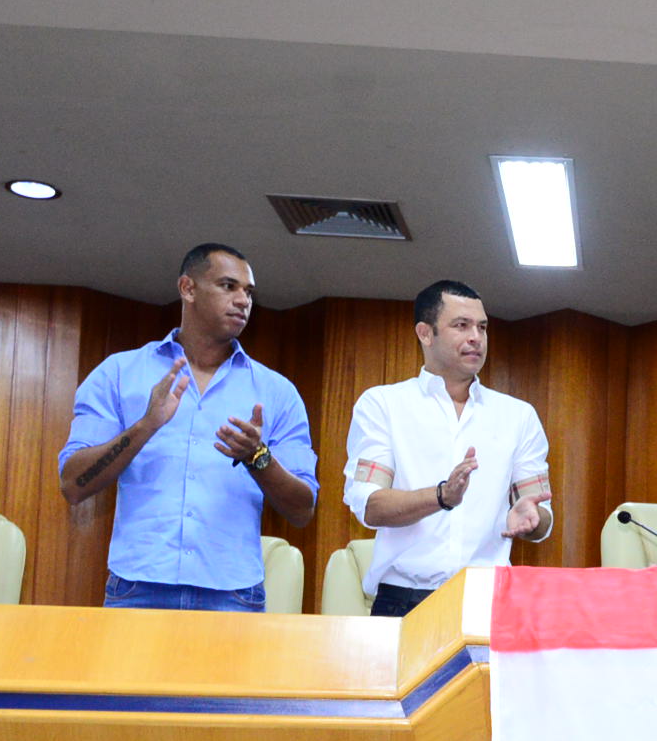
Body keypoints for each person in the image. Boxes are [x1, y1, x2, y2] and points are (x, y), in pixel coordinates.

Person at [59, 242, 317, 611]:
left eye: (249, 292)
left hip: (234, 595)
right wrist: (145, 426)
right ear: (188, 288)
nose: (243, 301)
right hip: (138, 590)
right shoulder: (119, 373)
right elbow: (73, 484)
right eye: (228, 286)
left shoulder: (276, 391)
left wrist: (256, 456)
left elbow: (303, 510)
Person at [345, 279, 554, 617]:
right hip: (403, 602)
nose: (476, 338)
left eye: (482, 327)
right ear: (425, 333)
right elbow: (369, 505)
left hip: (488, 603)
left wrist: (533, 519)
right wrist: (442, 496)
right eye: (461, 325)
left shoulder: (518, 415)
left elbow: (541, 517)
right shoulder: (383, 404)